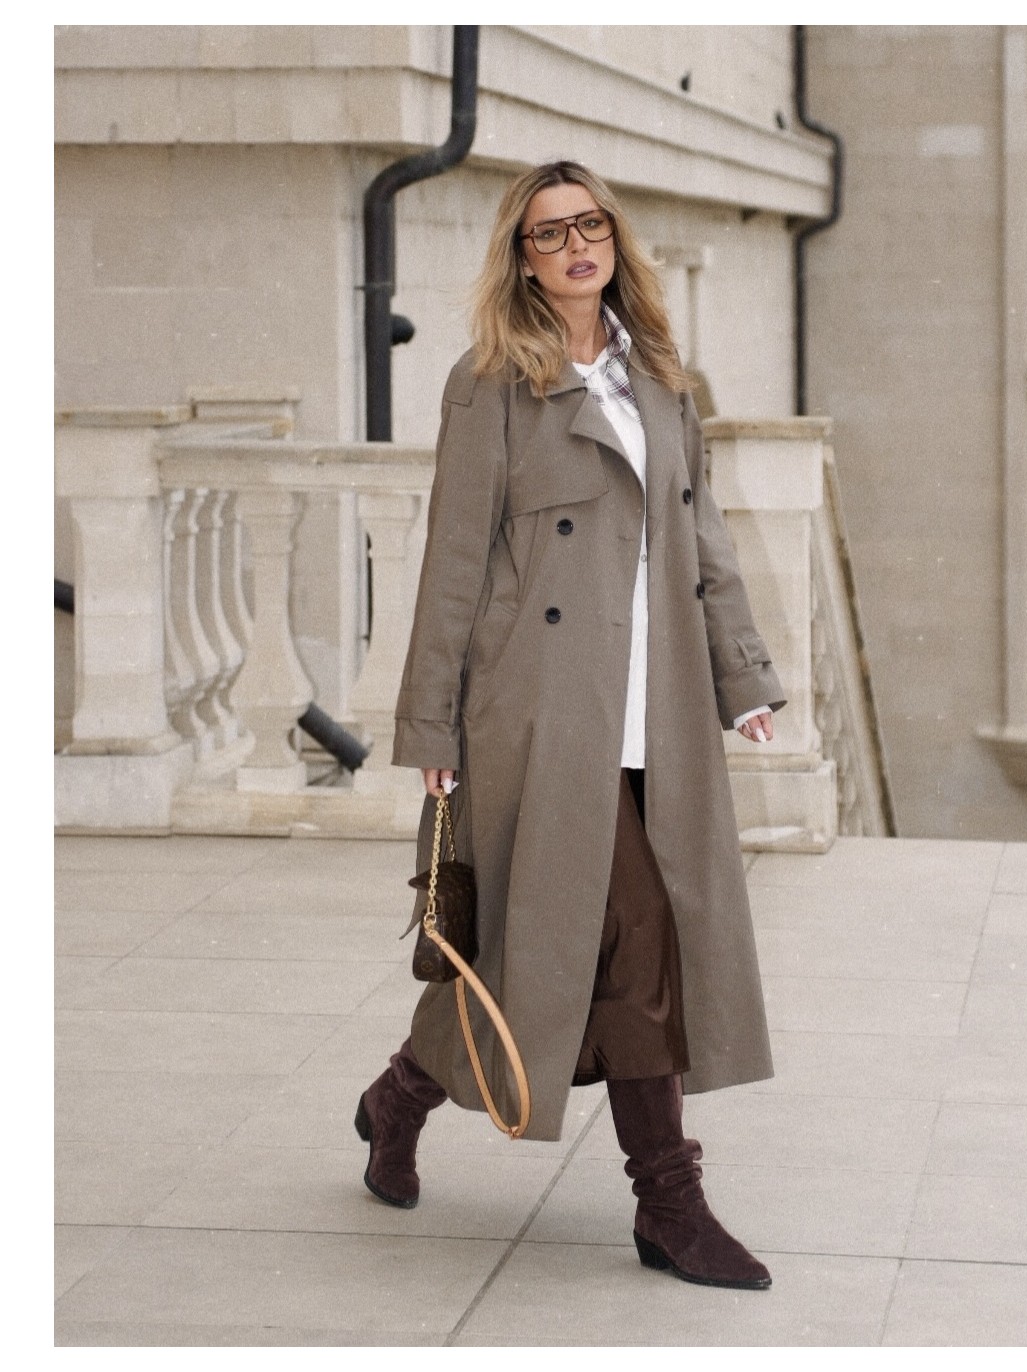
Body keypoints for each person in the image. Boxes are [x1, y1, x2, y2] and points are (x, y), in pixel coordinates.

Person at [355, 160, 785, 1291]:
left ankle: (398, 1098)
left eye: (589, 224)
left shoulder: (663, 380)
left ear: (614, 240)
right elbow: (453, 562)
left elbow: (705, 540)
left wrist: (741, 676)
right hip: (542, 710)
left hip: (659, 705)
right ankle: (670, 1204)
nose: (575, 245)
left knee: (536, 950)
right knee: (637, 934)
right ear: (524, 259)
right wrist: (433, 724)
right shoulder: (491, 383)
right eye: (549, 233)